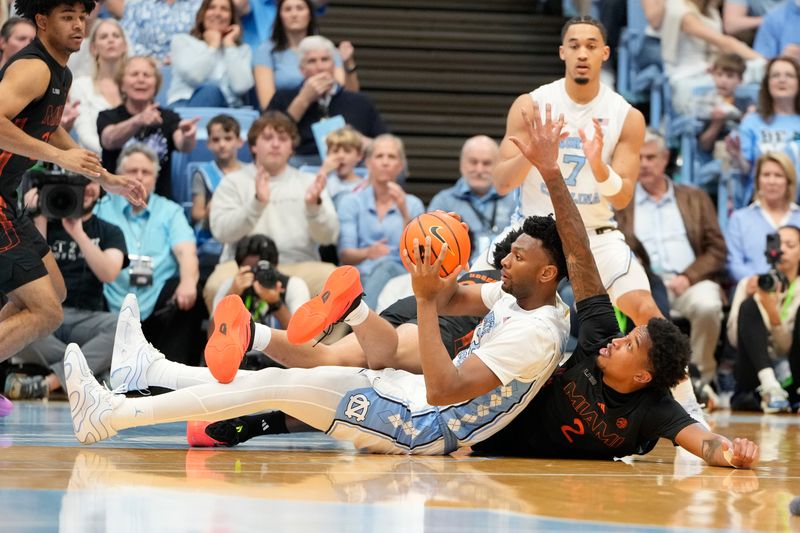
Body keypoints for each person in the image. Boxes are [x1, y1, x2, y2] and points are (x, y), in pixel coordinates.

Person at [66, 102, 759, 470]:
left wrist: (732, 451)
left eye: (516, 254)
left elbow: (443, 388)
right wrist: (429, 282)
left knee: (269, 387)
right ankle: (146, 368)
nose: (503, 259)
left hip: (424, 427)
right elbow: (567, 260)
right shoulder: (527, 301)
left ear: (645, 375)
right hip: (420, 408)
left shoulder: (537, 333)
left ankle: (119, 408)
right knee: (291, 375)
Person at [0, 0, 145, 363]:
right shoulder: (34, 67)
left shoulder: (61, 72)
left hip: (6, 196)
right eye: (67, 17)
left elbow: (49, 128)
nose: (79, 25)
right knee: (47, 310)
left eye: (82, 17)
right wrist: (60, 158)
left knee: (54, 292)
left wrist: (105, 177)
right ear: (41, 22)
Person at [489, 17, 657, 328]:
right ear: (562, 52)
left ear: (604, 53)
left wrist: (598, 166)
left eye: (591, 46)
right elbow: (501, 183)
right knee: (471, 297)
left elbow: (622, 199)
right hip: (534, 233)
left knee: (648, 313)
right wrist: (533, 155)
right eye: (574, 45)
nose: (582, 53)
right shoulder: (532, 104)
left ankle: (682, 380)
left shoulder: (626, 115)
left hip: (594, 234)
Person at [616, 129, 727, 404]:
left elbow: (717, 249)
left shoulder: (695, 197)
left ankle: (700, 375)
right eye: (639, 158)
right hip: (643, 285)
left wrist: (689, 277)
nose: (644, 164)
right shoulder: (621, 202)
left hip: (688, 282)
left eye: (651, 157)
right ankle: (649, 380)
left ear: (665, 158)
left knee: (708, 305)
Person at [6, 180, 127, 399]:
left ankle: (51, 382)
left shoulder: (110, 231)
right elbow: (30, 271)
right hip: (43, 316)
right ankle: (93, 374)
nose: (83, 188)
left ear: (100, 188)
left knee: (122, 327)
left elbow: (109, 274)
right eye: (75, 181)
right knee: (16, 329)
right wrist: (38, 217)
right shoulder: (37, 224)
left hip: (88, 319)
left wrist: (78, 232)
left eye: (89, 181)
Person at [207, 111, 339, 299]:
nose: (276, 144)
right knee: (215, 286)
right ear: (253, 145)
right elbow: (222, 232)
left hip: (299, 264)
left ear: (291, 148)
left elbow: (329, 237)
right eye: (268, 138)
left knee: (338, 287)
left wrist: (314, 207)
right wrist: (256, 204)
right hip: (241, 266)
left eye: (283, 139)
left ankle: (307, 331)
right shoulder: (233, 181)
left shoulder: (310, 183)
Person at [95, 143, 204, 365]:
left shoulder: (170, 210)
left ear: (155, 178)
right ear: (119, 176)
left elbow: (186, 252)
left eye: (146, 172)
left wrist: (188, 283)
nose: (139, 178)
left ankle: (173, 371)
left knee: (189, 289)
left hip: (158, 304)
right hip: (110, 298)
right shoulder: (102, 208)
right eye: (132, 171)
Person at [266, 35, 386, 165]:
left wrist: (360, 139)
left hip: (351, 165)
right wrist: (303, 100)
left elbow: (385, 144)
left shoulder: (359, 101)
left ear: (334, 66)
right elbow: (266, 137)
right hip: (302, 163)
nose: (320, 67)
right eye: (312, 61)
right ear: (302, 70)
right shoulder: (283, 97)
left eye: (325, 60)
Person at [337, 134, 425, 309]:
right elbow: (345, 254)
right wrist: (368, 252)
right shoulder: (351, 201)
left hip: (399, 274)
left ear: (400, 166)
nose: (385, 162)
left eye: (391, 157)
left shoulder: (413, 204)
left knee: (387, 267)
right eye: (379, 156)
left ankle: (362, 325)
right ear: (368, 163)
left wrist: (404, 211)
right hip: (360, 274)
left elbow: (419, 257)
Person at [97, 55, 199, 201]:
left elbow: (184, 145)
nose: (141, 79)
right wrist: (138, 120)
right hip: (114, 204)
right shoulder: (107, 116)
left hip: (158, 204)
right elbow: (109, 141)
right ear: (122, 84)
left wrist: (188, 135)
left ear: (156, 84)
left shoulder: (168, 117)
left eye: (147, 75)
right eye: (134, 74)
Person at [727, 224, 800, 413]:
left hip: (791, 370)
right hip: (753, 371)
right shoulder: (751, 283)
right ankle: (769, 385)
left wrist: (772, 313)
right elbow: (735, 339)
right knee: (749, 306)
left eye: (790, 245)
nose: (782, 249)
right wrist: (749, 298)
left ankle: (780, 390)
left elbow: (784, 348)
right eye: (777, 244)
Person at [658, 0, 763, 114]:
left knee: (755, 68)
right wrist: (766, 61)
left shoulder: (711, 10)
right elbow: (725, 43)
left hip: (711, 67)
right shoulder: (678, 7)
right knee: (757, 67)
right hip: (686, 73)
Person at [252, 0, 356, 110]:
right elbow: (267, 105)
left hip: (328, 114)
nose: (294, 14)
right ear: (279, 16)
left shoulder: (325, 47)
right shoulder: (266, 51)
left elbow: (348, 95)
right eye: (288, 9)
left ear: (310, 14)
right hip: (284, 118)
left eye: (300, 8)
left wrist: (348, 62)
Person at [428, 135, 516, 265]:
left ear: (498, 166)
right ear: (462, 165)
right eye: (473, 162)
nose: (479, 170)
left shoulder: (514, 199)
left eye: (486, 163)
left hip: (502, 275)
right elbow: (429, 243)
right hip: (457, 275)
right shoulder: (443, 202)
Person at [726, 56, 800, 205]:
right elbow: (746, 170)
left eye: (789, 75)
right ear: (767, 84)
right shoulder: (752, 122)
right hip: (761, 201)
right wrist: (736, 155)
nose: (782, 80)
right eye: (775, 75)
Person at [726, 152, 800, 283]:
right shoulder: (740, 219)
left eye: (778, 176)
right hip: (751, 292)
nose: (772, 181)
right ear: (757, 181)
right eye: (766, 175)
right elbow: (733, 264)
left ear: (789, 182)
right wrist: (760, 282)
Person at [167, 0, 254, 108]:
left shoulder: (242, 50)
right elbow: (195, 77)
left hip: (228, 112)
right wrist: (213, 46)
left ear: (232, 17)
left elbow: (241, 86)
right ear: (203, 14)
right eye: (211, 8)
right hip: (187, 107)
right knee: (211, 91)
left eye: (224, 9)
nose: (217, 13)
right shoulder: (182, 41)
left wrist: (229, 44)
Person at [213, 234, 309, 330]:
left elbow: (301, 336)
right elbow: (211, 336)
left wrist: (276, 304)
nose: (257, 277)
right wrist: (231, 297)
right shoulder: (232, 286)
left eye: (262, 271)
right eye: (251, 271)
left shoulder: (293, 285)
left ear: (276, 266)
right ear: (240, 268)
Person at [191, 114, 244, 289]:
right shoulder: (203, 173)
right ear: (209, 144)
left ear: (239, 141)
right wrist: (212, 209)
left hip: (242, 239)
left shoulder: (250, 173)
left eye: (228, 138)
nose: (222, 144)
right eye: (216, 139)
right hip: (212, 243)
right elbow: (196, 213)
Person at [69, 18, 127, 153]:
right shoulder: (81, 86)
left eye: (116, 36)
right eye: (104, 37)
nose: (110, 40)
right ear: (93, 48)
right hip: (96, 163)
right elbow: (85, 137)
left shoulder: (136, 85)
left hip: (133, 164)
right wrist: (118, 156)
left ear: (124, 45)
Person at [120, 0, 202, 63]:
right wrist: (152, 61)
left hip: (193, 66)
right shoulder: (135, 6)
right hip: (148, 68)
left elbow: (207, 38)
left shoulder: (202, 5)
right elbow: (129, 41)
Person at [314, 125, 367, 208]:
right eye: (335, 151)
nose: (341, 156)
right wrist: (323, 171)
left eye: (347, 151)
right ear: (327, 155)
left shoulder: (366, 186)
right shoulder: (321, 181)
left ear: (359, 156)